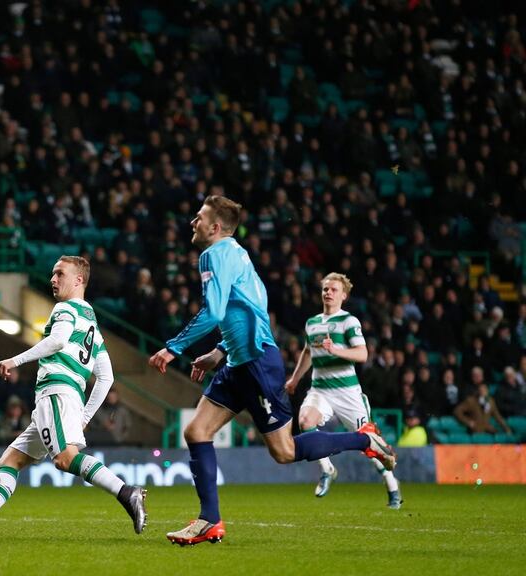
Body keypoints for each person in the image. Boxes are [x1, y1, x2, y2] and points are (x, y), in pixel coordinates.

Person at [147, 196, 395, 546]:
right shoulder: (239, 255)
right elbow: (252, 307)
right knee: (197, 431)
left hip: (258, 364)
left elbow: (216, 312)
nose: (193, 222)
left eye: (199, 218)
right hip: (238, 361)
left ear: (215, 227)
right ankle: (209, 521)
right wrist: (220, 351)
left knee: (284, 452)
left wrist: (173, 347)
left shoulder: (213, 255)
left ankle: (365, 438)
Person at [0, 257, 147, 539]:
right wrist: (84, 416)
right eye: (52, 274)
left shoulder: (65, 309)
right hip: (66, 399)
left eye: (60, 273)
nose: (53, 279)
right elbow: (106, 378)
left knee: (65, 459)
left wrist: (15, 360)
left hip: (56, 393)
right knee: (10, 460)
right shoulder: (91, 324)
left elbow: (58, 341)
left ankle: (127, 492)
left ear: (79, 280)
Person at [285, 273, 402, 509]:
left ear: (343, 296)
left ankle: (392, 488)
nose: (328, 292)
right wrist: (295, 378)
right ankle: (328, 469)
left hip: (347, 394)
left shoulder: (349, 321)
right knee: (306, 420)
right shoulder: (312, 323)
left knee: (369, 443)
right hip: (320, 390)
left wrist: (335, 350)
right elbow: (308, 352)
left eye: (333, 289)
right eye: (325, 289)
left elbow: (362, 354)